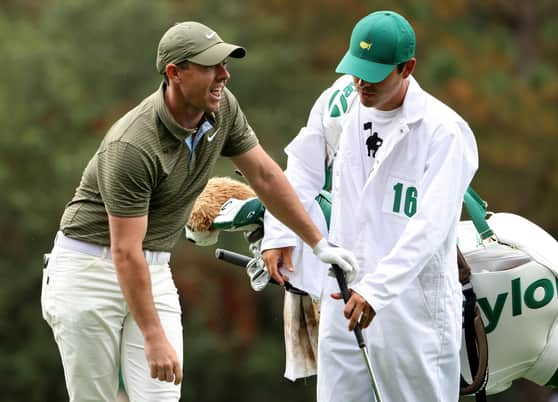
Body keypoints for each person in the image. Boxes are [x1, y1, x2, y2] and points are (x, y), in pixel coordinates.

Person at [40, 21, 357, 402]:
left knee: (161, 396)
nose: (224, 74)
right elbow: (125, 250)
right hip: (88, 273)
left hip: (150, 267)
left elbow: (266, 176)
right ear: (174, 73)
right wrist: (153, 336)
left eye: (224, 64)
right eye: (210, 66)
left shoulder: (222, 109)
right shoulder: (132, 146)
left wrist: (317, 243)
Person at [261, 10, 478, 402]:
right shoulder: (339, 102)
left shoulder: (445, 132)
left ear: (406, 68)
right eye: (355, 70)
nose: (360, 83)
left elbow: (431, 227)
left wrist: (376, 291)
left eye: (374, 74)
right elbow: (302, 170)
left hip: (412, 309)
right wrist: (279, 233)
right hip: (341, 294)